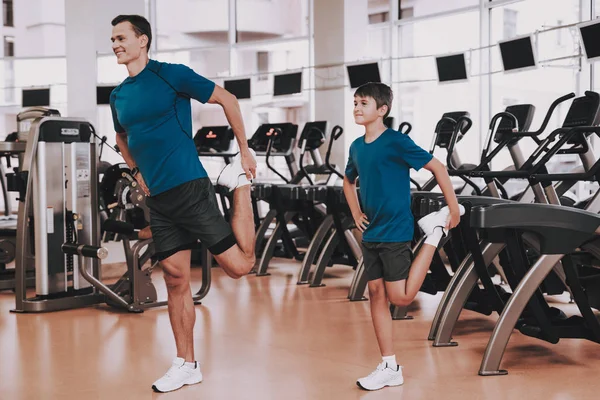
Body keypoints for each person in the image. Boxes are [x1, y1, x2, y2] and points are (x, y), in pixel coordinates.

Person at [109, 15, 257, 393]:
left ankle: (238, 186)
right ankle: (186, 363)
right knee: (175, 279)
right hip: (158, 199)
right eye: (113, 39)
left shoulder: (170, 74)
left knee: (240, 266)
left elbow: (227, 98)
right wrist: (136, 170)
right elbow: (121, 136)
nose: (116, 44)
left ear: (143, 40)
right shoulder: (118, 95)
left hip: (190, 188)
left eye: (122, 37)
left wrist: (244, 153)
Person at [343, 82, 465, 391]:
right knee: (376, 295)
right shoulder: (357, 147)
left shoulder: (396, 141)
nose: (357, 108)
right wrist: (356, 212)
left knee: (401, 298)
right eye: (355, 102)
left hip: (396, 228)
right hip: (371, 232)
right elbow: (348, 182)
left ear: (382, 110)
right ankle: (388, 364)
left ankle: (434, 233)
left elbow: (437, 167)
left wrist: (453, 209)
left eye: (364, 103)